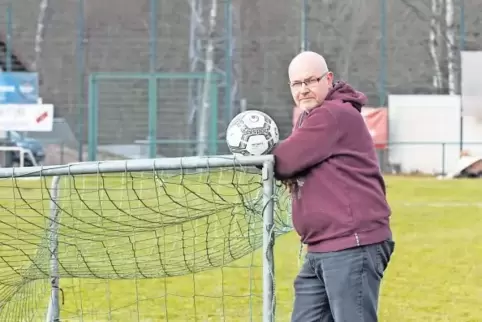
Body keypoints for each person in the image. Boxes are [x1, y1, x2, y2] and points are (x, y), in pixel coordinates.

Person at [271, 51, 395, 322]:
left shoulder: (333, 114)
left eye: (310, 81)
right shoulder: (314, 115)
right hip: (323, 246)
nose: (303, 90)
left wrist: (256, 153)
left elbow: (284, 161)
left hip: (351, 243)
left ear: (328, 79)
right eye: (296, 84)